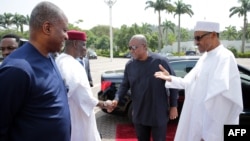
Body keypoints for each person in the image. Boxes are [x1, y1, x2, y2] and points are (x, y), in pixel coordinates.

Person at [154, 21, 243, 141]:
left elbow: (220, 102)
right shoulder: (205, 58)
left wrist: (209, 135)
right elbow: (188, 82)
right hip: (197, 125)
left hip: (211, 132)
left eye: (198, 38)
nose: (196, 43)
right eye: (195, 38)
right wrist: (170, 78)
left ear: (213, 35)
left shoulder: (225, 57)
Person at [0, 1, 71, 141]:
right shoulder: (18, 69)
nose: (67, 36)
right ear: (47, 28)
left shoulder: (49, 57)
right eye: (64, 30)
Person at [111, 34, 179, 141]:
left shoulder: (160, 62)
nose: (131, 50)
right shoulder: (130, 65)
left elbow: (174, 84)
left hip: (158, 113)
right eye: (130, 48)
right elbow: (124, 85)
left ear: (144, 46)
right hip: (139, 113)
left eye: (134, 47)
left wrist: (173, 106)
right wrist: (116, 99)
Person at [55, 30, 112, 141]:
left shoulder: (59, 60)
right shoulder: (70, 64)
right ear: (76, 44)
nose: (85, 48)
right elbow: (83, 97)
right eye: (84, 44)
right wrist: (104, 104)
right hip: (77, 119)